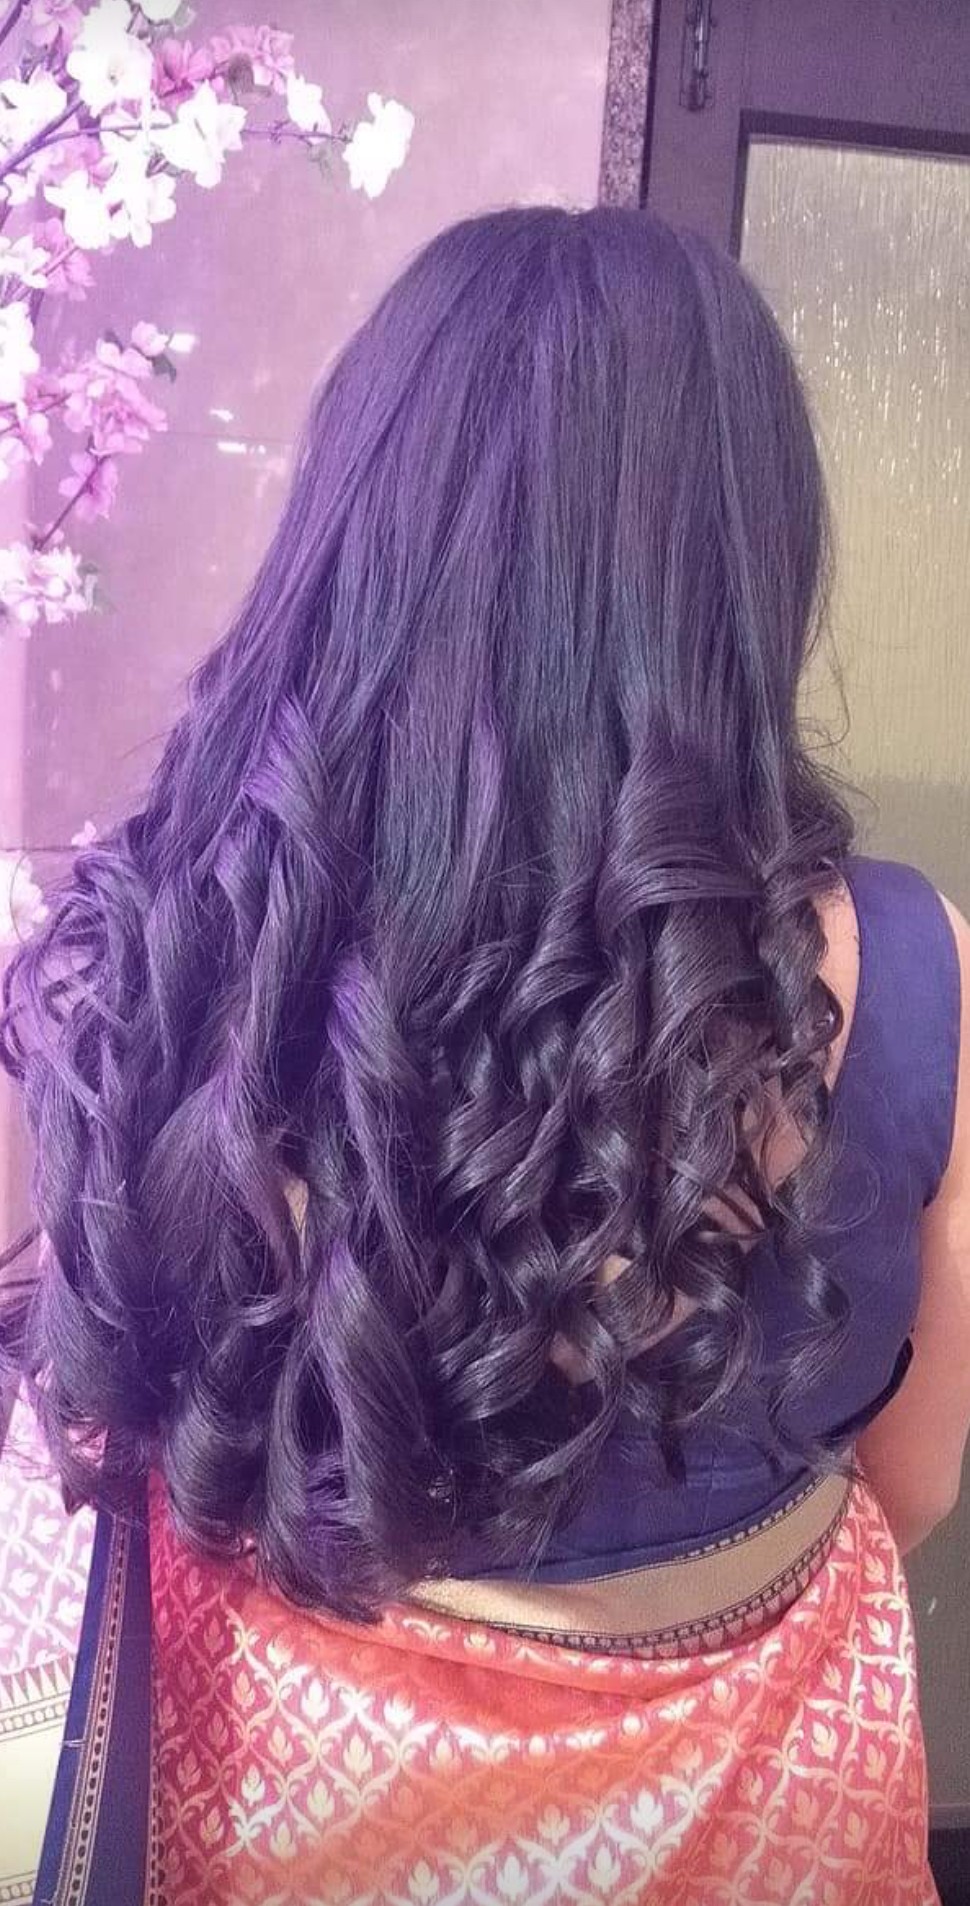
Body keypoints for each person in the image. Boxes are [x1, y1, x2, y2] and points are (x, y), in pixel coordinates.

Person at [1, 204, 966, 1906]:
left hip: (273, 1824)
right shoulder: (911, 963)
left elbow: (97, 1396)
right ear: (742, 570)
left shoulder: (161, 945)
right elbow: (905, 1486)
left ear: (353, 535)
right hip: (746, 1823)